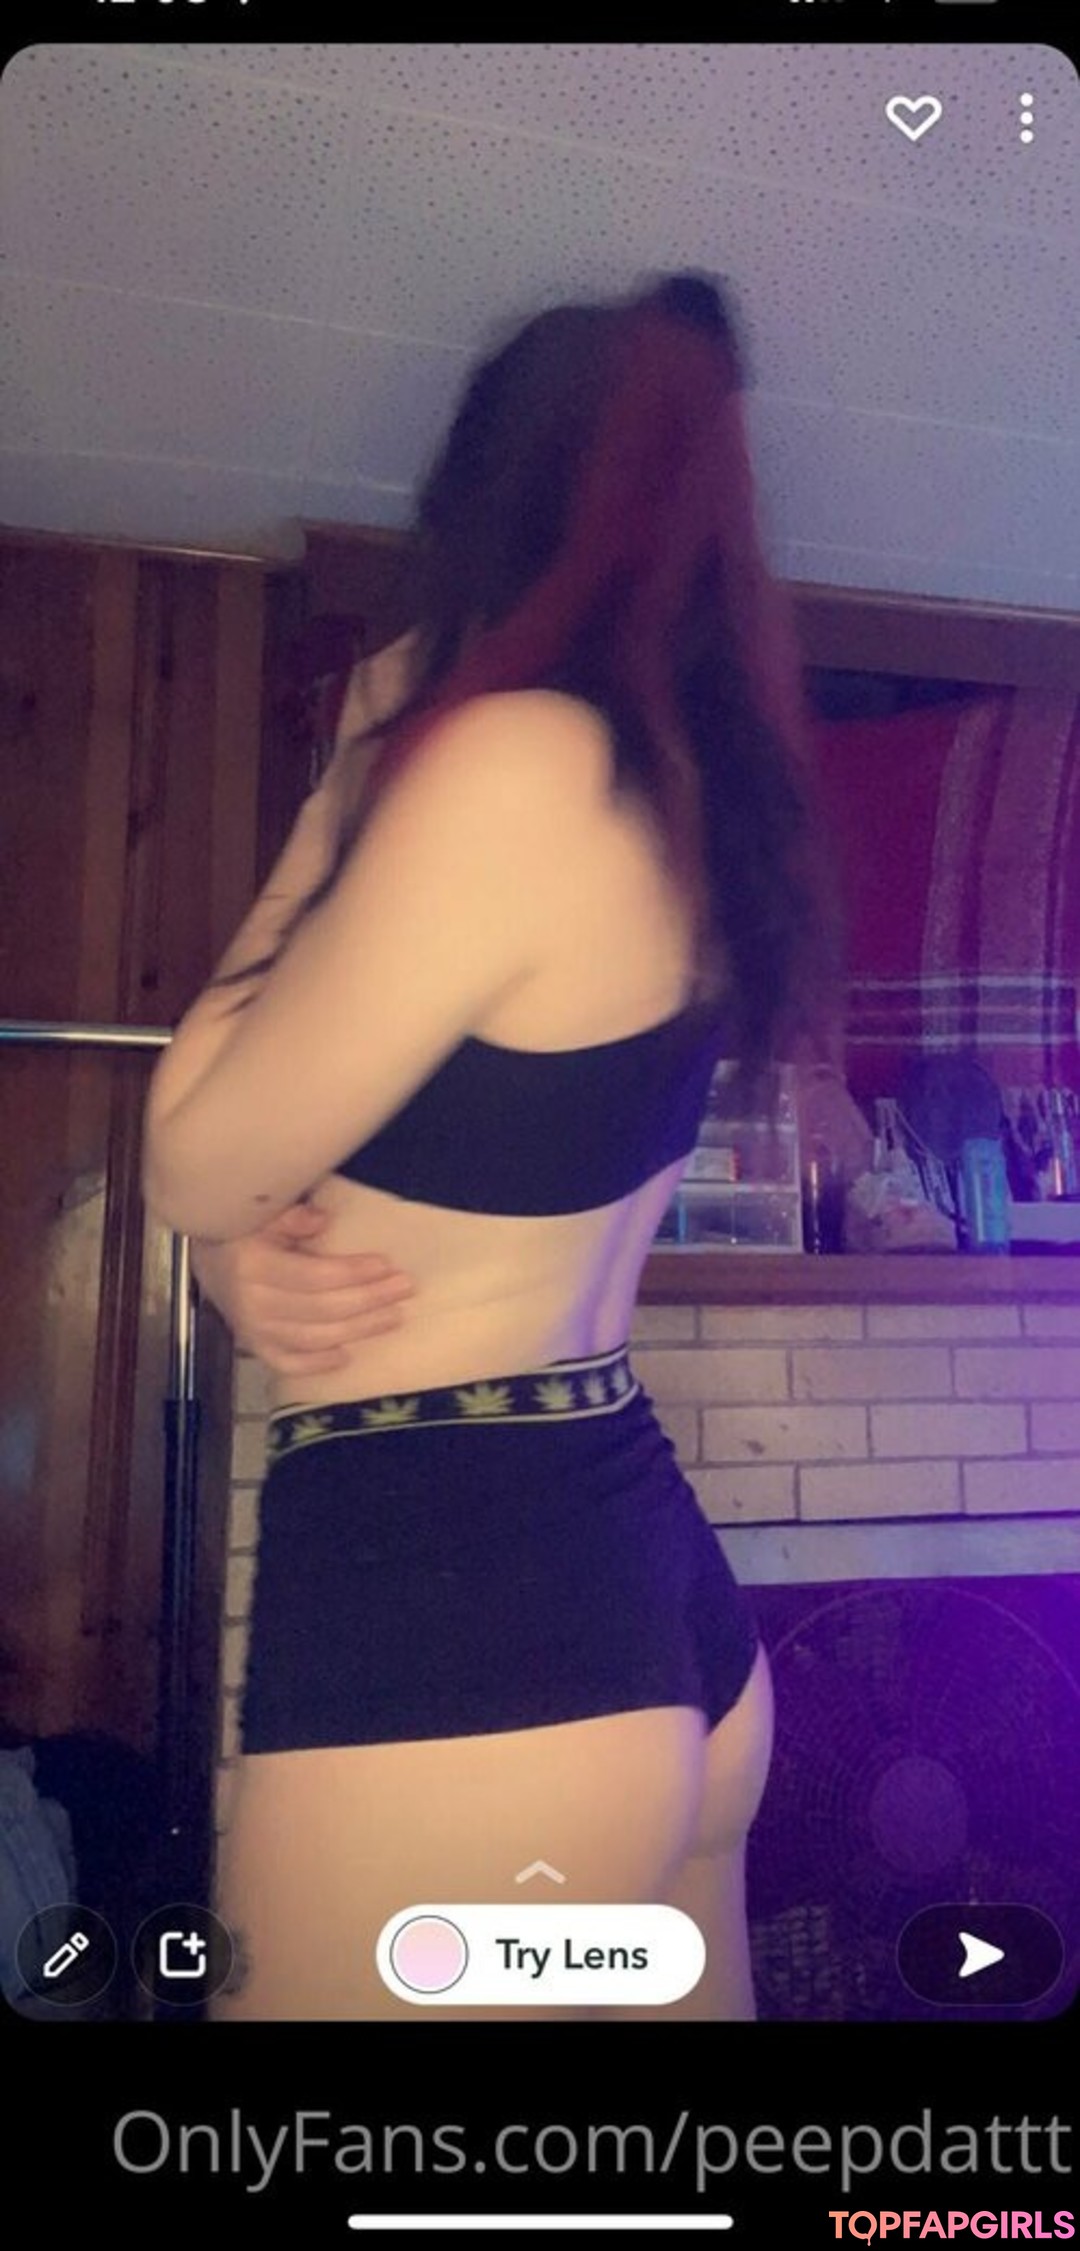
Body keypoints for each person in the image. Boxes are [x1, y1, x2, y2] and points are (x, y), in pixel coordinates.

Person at [142, 272, 842, 2022]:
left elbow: (193, 1156)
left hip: (463, 1618)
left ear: (489, 496)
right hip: (628, 1603)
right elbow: (376, 1159)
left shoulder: (510, 766)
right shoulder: (690, 803)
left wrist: (350, 779)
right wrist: (235, 1246)